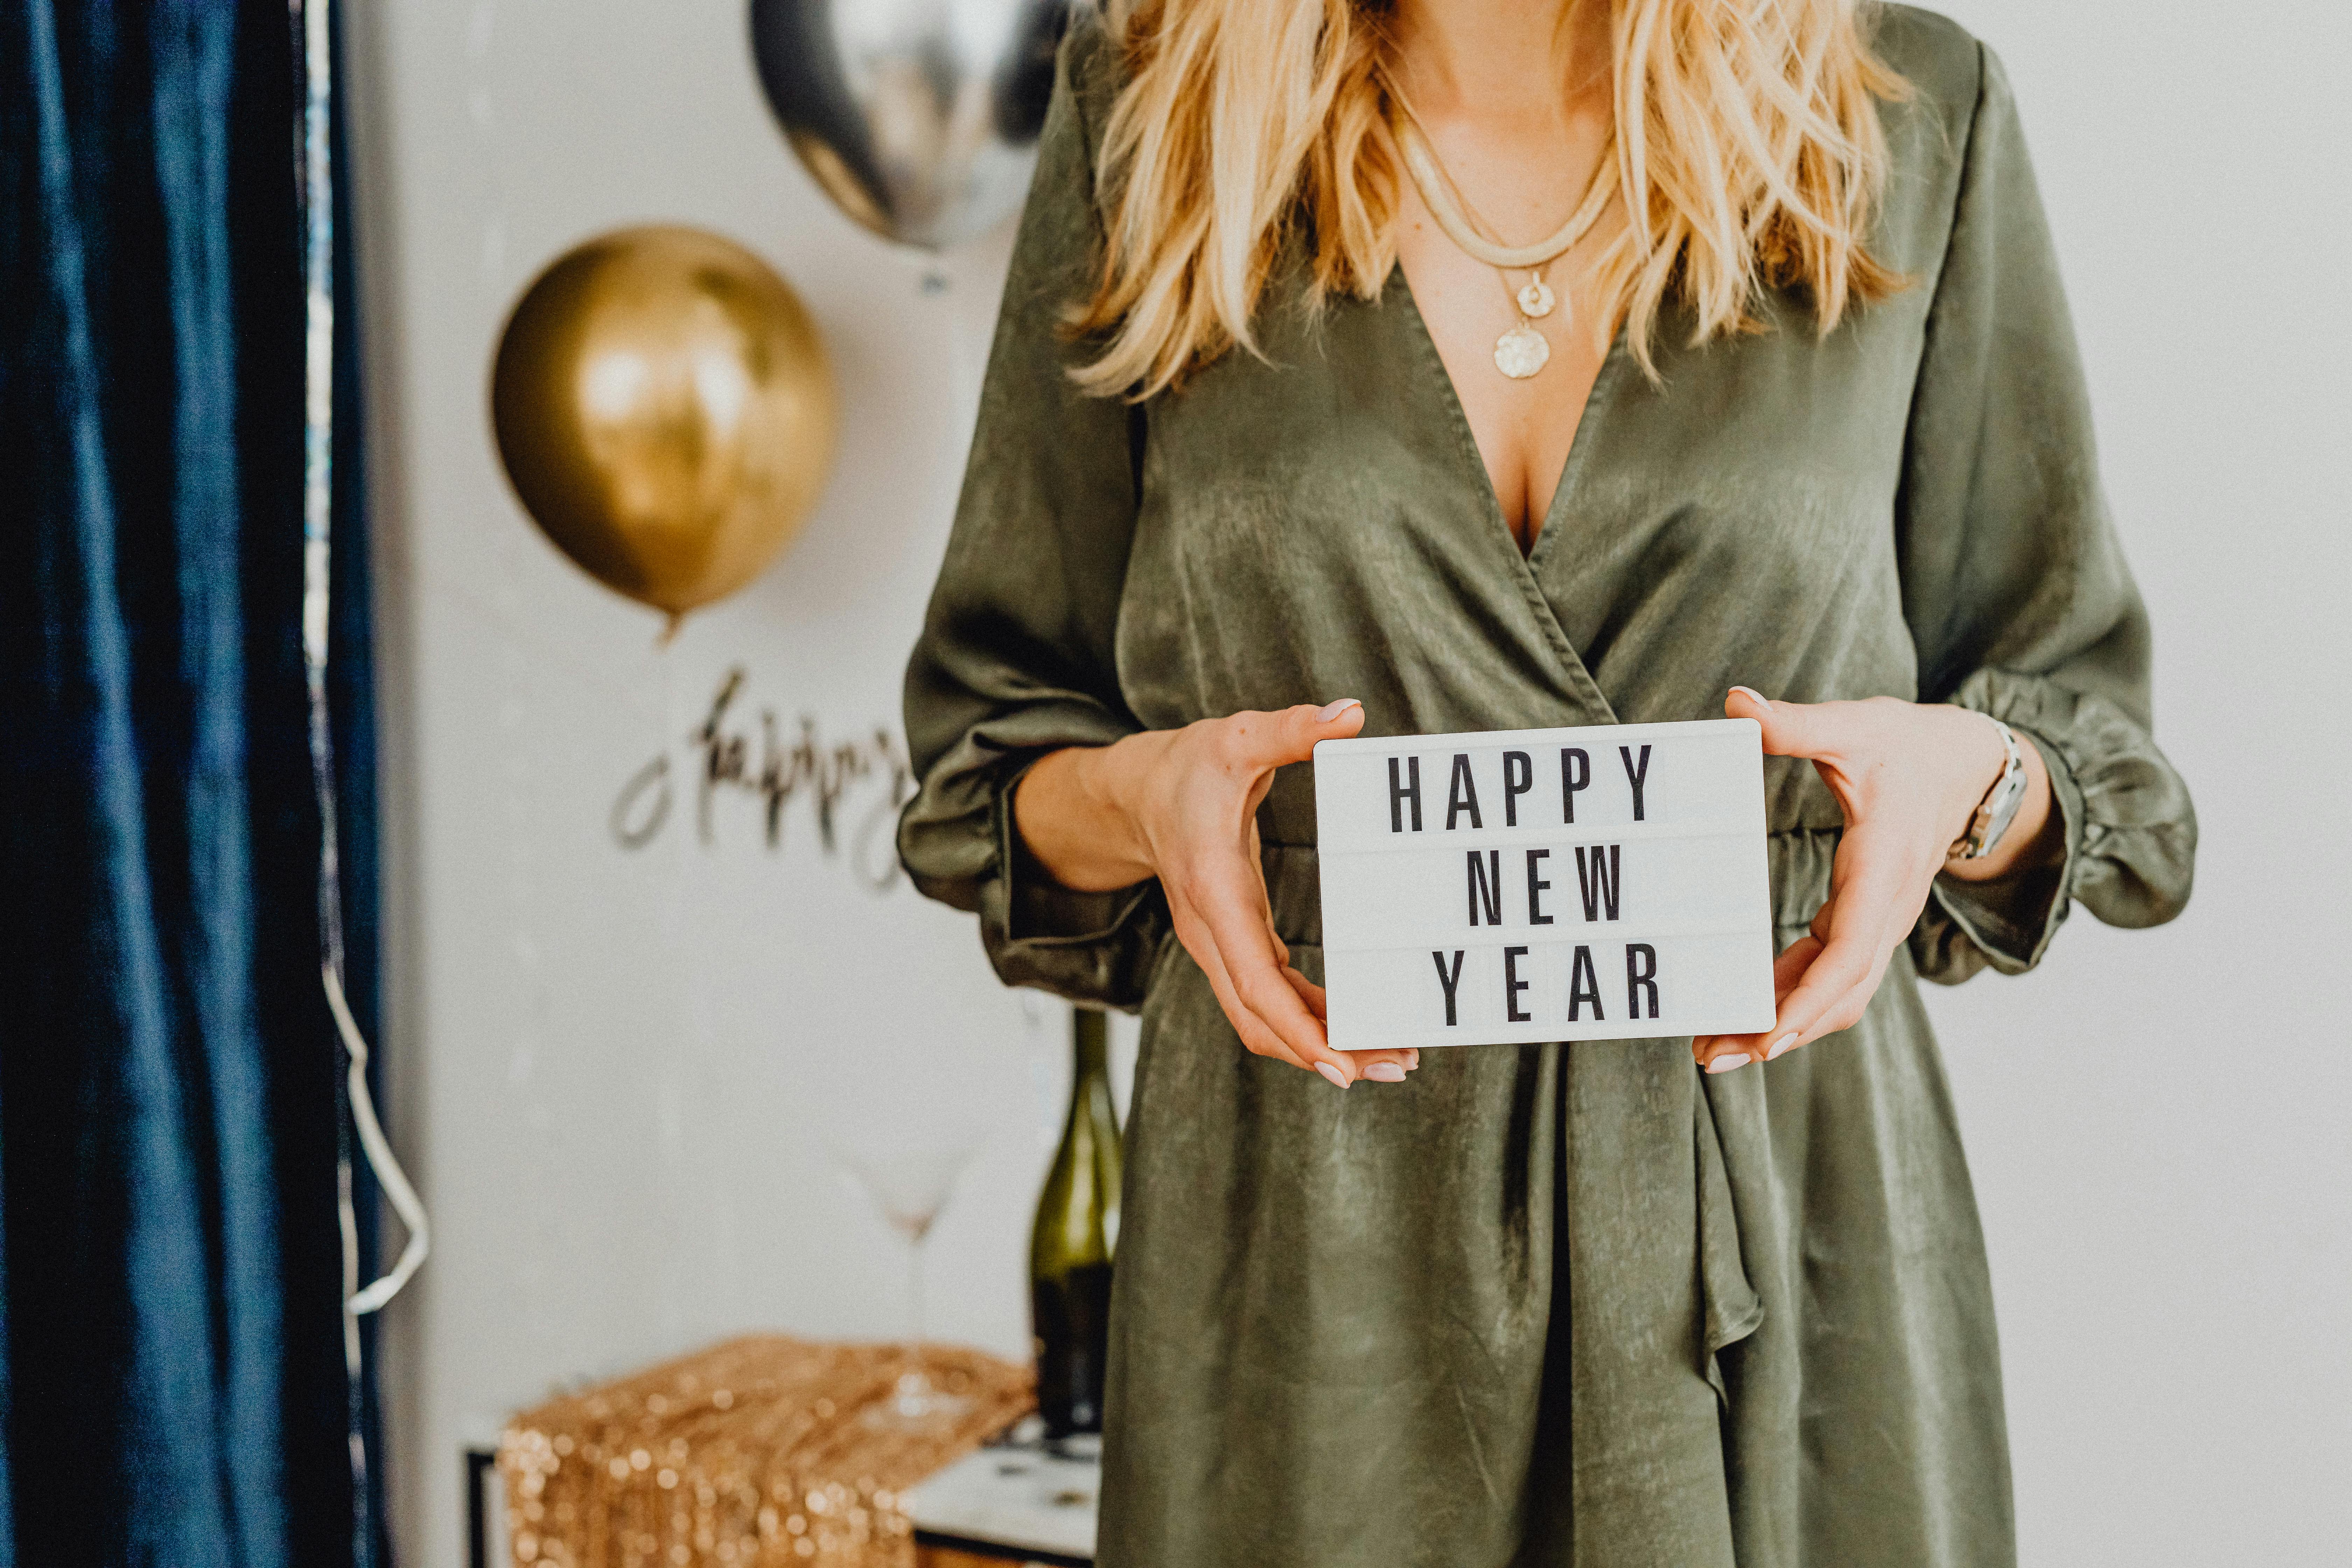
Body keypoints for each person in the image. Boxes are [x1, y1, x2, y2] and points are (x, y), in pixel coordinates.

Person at [898, 0, 2195, 1561]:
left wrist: (1965, 784)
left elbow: (2094, 752)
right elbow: (989, 753)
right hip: (1312, 1275)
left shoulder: (1911, 107)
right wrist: (1153, 802)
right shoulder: (1146, 108)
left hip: (1785, 1244)